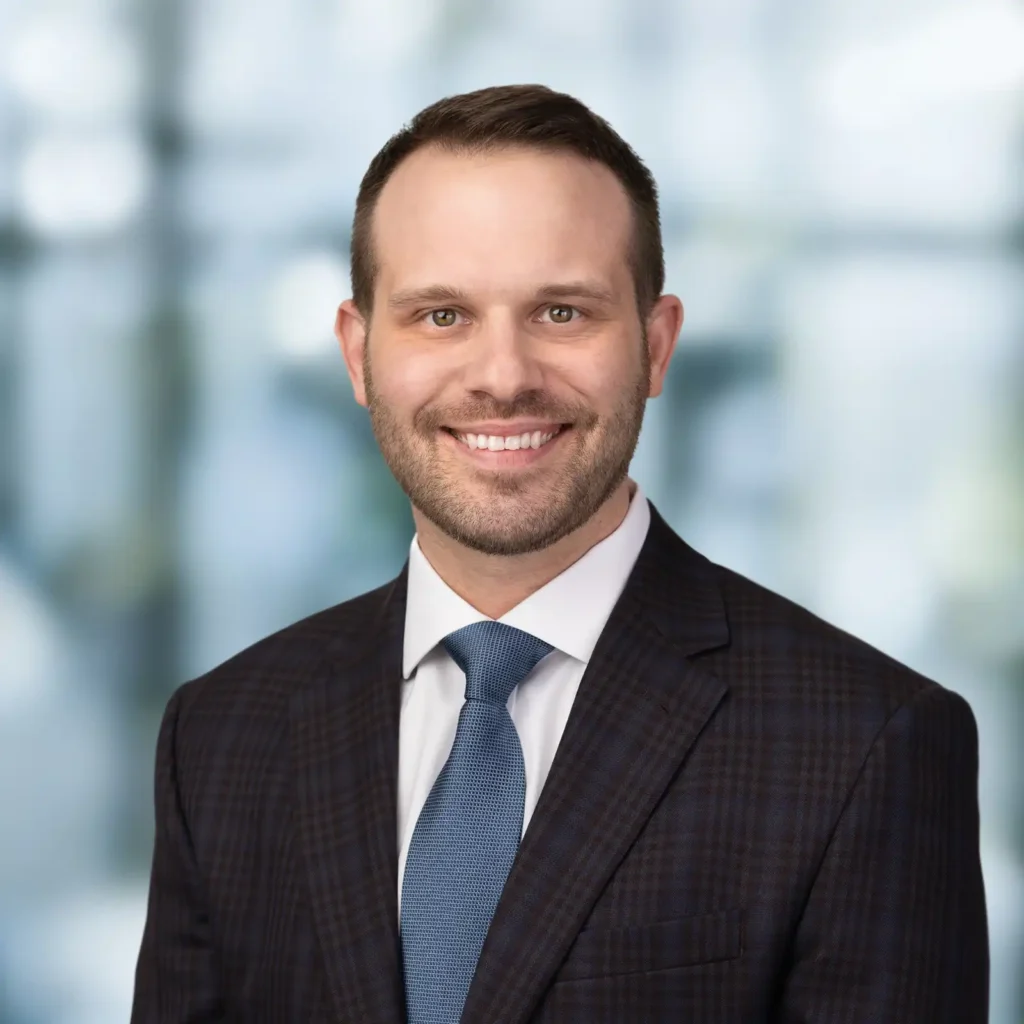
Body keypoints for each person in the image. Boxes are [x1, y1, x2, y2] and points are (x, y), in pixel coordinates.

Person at [130, 84, 988, 1023]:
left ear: (657, 348)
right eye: (442, 316)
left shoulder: (867, 744)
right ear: (358, 352)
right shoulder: (219, 737)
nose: (503, 377)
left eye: (563, 313)